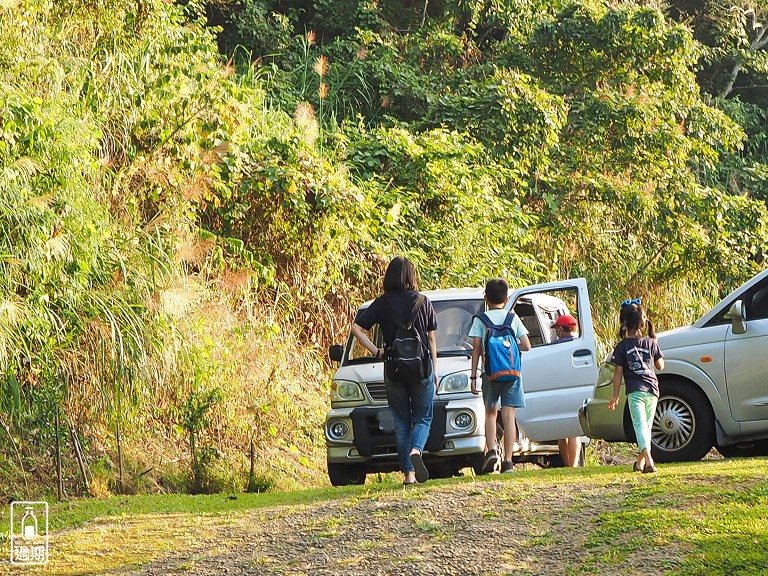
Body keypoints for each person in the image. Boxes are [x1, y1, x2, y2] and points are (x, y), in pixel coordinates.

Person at [351, 257, 438, 485]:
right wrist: (435, 370)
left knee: (401, 421)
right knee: (423, 418)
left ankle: (408, 474)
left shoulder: (382, 303)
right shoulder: (423, 301)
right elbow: (430, 338)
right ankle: (416, 450)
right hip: (422, 369)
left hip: (393, 368)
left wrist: (376, 351)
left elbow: (356, 328)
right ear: (411, 276)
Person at [469, 278, 531, 473]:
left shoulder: (480, 320)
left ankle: (492, 451)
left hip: (490, 373)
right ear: (506, 298)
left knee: (490, 412)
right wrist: (510, 350)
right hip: (512, 373)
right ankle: (508, 462)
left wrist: (473, 376)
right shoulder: (512, 318)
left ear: (486, 298)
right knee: (509, 415)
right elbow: (526, 345)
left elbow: (477, 348)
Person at [607, 299, 664, 473]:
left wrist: (615, 395)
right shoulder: (650, 342)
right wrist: (655, 344)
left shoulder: (622, 347)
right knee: (645, 427)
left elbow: (617, 373)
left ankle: (649, 460)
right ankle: (640, 463)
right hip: (653, 390)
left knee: (640, 426)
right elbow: (661, 366)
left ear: (624, 323)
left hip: (635, 391)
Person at [552, 314, 582, 468]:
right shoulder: (580, 344)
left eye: (557, 328)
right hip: (576, 390)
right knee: (574, 431)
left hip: (557, 391)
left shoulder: (554, 346)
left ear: (561, 329)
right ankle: (574, 465)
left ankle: (568, 465)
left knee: (561, 432)